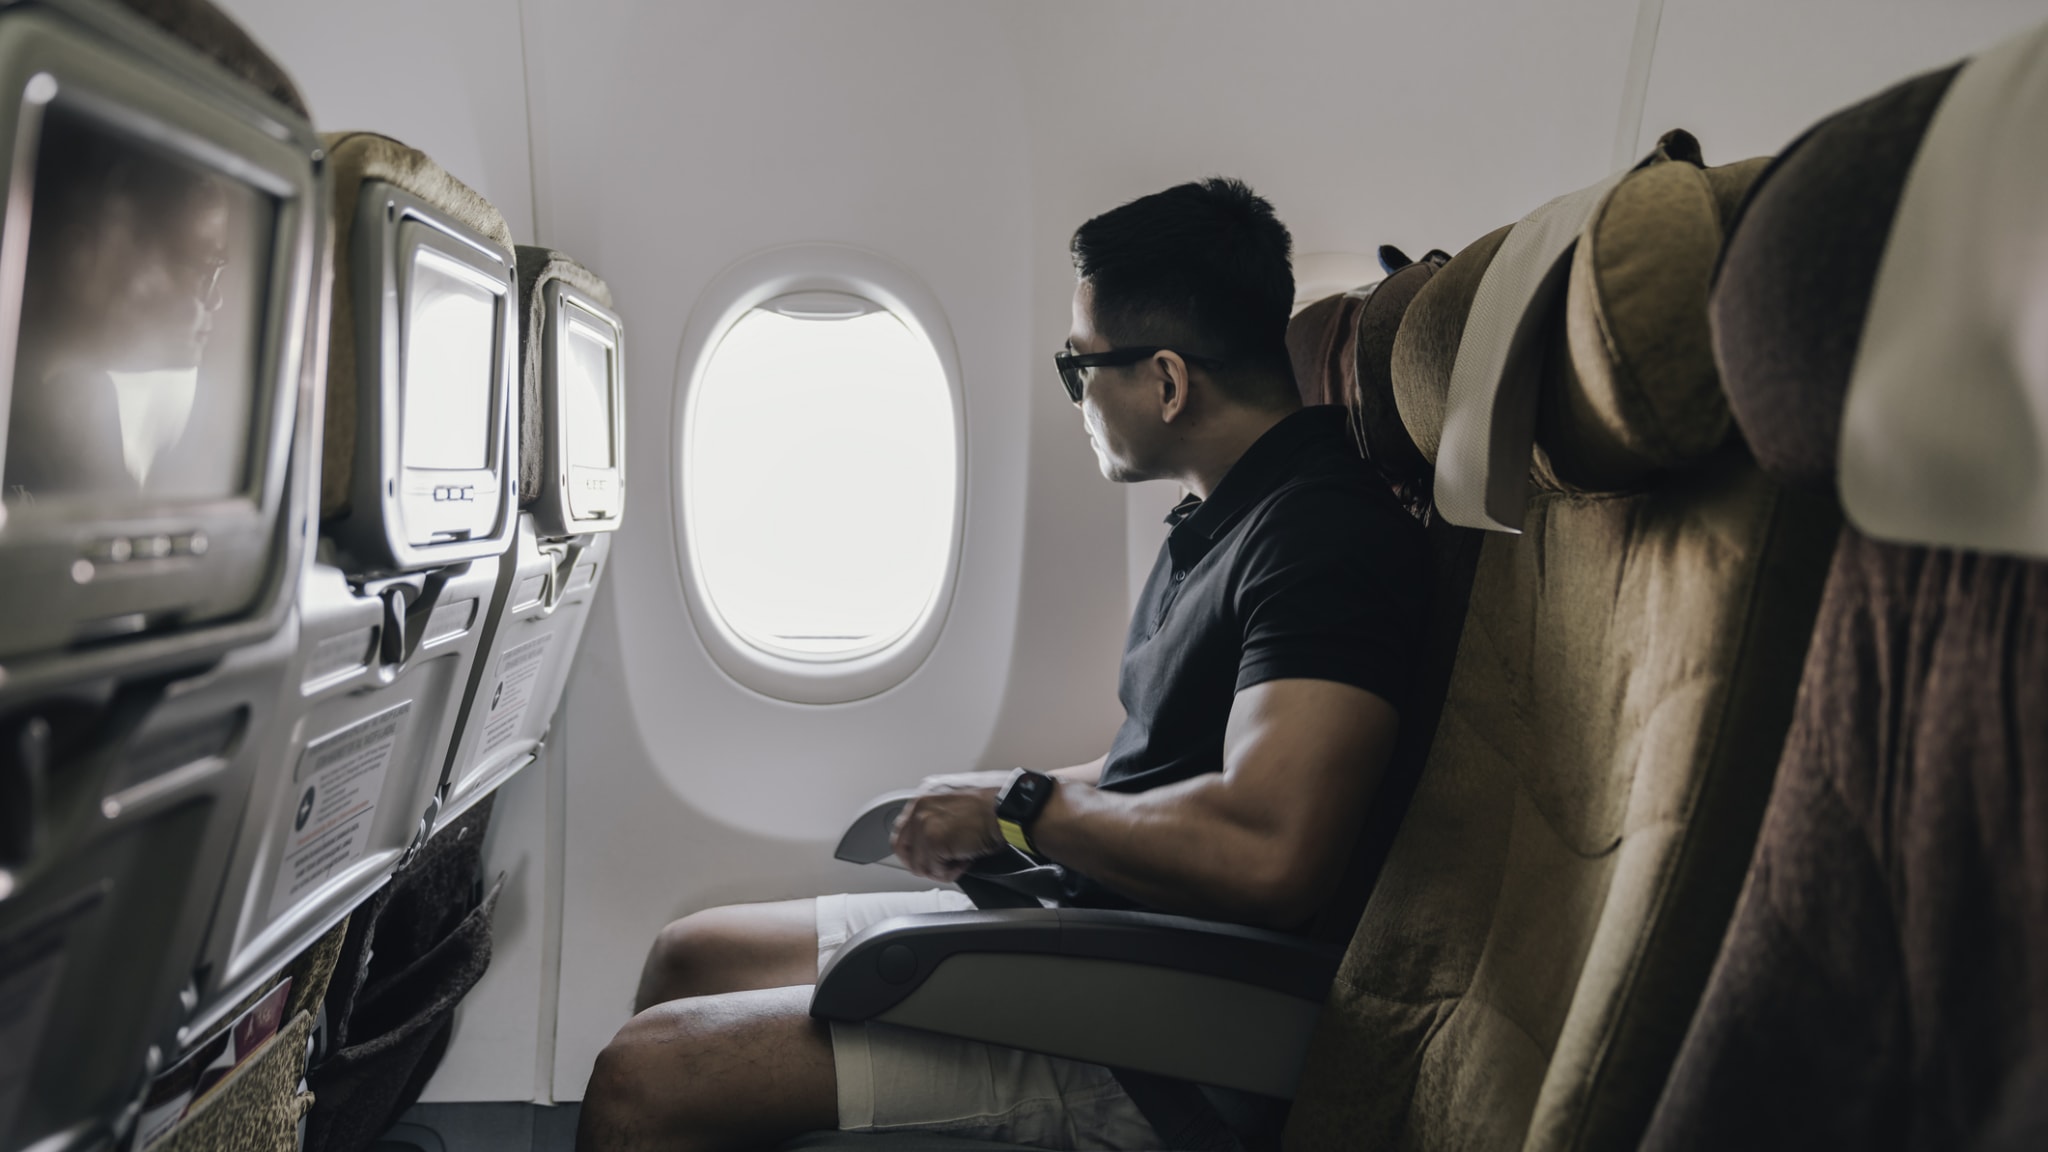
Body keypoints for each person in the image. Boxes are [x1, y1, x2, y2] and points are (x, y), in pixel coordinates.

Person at [577, 178, 1430, 1152]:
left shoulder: (1322, 538)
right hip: (1109, 940)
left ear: (1164, 380)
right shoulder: (1227, 515)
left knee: (643, 1079)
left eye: (1080, 370)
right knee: (692, 956)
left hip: (1172, 1020)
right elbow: (1176, 771)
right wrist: (999, 800)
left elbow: (1269, 851)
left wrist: (1023, 811)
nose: (1073, 398)